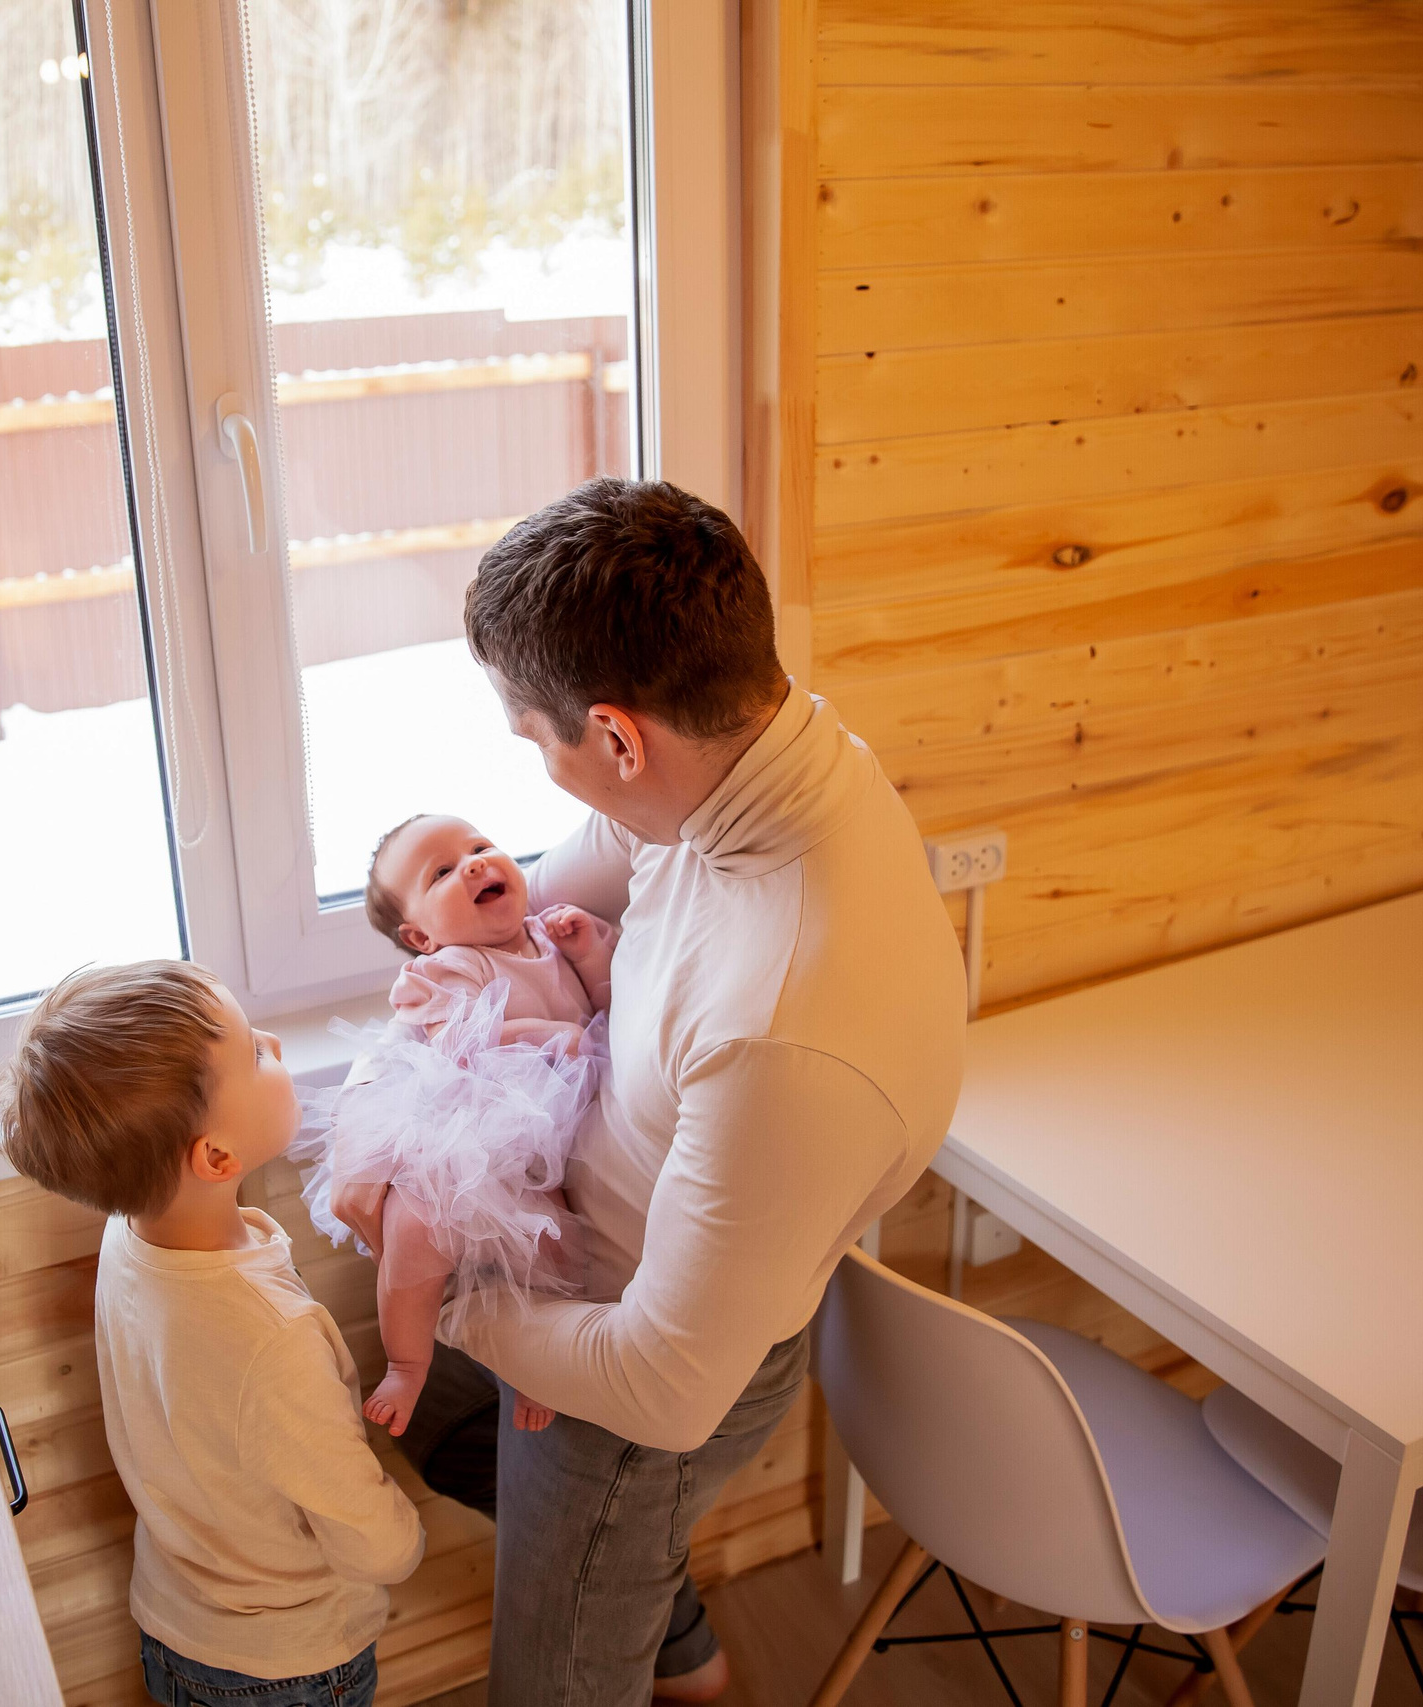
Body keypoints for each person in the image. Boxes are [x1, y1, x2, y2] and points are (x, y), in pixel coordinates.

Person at [348, 478, 967, 1706]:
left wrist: (460, 1297)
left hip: (639, 1379)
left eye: (537, 741)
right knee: (440, 1426)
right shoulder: (741, 756)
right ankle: (661, 1625)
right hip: (603, 1278)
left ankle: (627, 1604)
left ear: (619, 740)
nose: (544, 774)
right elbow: (543, 899)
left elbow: (665, 1386)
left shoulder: (780, 1028)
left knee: (553, 1678)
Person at [0, 960, 425, 1707]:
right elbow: (365, 1531)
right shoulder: (272, 1340)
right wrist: (405, 1538)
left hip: (177, 1620)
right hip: (286, 1666)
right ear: (217, 1157)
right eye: (253, 1052)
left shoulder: (130, 1235)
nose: (274, 1043)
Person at [294, 813, 616, 1438]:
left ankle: (535, 1369)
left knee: (558, 1251)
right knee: (414, 1233)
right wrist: (553, 1035)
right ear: (421, 936)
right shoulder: (450, 967)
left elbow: (613, 1004)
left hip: (541, 1148)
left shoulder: (551, 934)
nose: (474, 863)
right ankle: (406, 1365)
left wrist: (589, 951)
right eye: (442, 872)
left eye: (480, 846)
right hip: (459, 1137)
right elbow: (462, 1047)